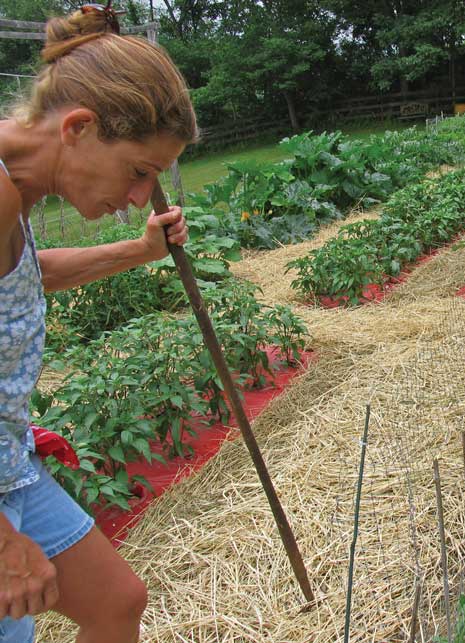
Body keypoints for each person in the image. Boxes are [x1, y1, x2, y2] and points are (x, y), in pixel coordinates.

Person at [0, 3, 197, 642]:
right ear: (80, 127)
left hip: (10, 464)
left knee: (116, 604)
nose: (140, 196)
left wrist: (139, 251)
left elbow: (21, 276)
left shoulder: (17, 188)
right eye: (139, 171)